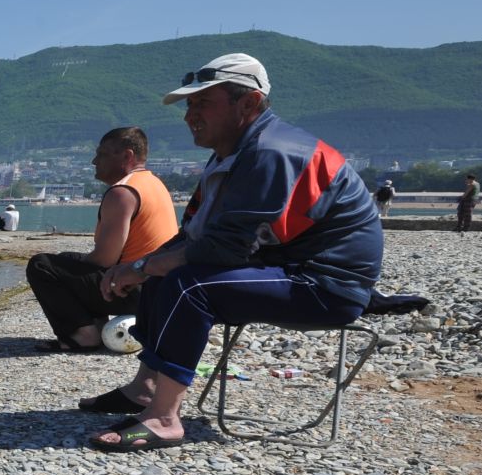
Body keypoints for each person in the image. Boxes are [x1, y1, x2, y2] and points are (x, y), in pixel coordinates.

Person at [79, 53, 383, 451]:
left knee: (189, 287)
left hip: (326, 284)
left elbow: (227, 248)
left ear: (249, 104)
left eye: (203, 103)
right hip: (286, 265)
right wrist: (141, 266)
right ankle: (143, 390)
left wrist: (143, 266)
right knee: (163, 274)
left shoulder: (272, 153)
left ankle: (165, 418)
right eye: (190, 105)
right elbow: (195, 234)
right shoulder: (234, 151)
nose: (191, 115)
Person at [23, 127, 178, 351]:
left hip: (137, 289)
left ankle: (83, 336)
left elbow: (105, 259)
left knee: (42, 265)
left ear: (127, 156)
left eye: (102, 154)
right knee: (68, 260)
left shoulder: (122, 192)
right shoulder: (153, 183)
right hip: (161, 289)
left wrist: (74, 266)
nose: (94, 161)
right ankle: (96, 324)